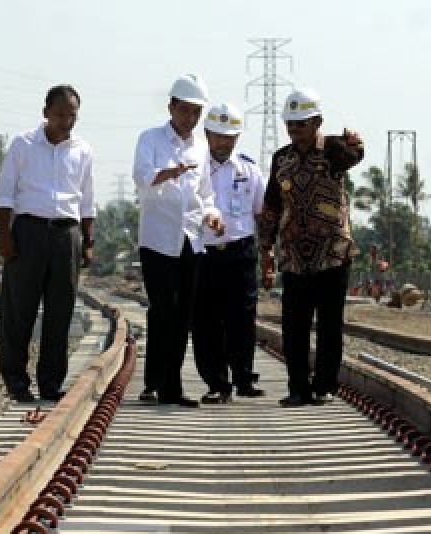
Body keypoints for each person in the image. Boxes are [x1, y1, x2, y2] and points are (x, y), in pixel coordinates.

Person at [257, 88, 364, 407]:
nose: (295, 129)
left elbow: (355, 157)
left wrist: (356, 143)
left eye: (301, 123)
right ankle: (298, 388)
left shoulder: (333, 150)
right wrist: (267, 249)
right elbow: (272, 206)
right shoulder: (281, 159)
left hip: (332, 253)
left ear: (317, 121)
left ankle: (325, 386)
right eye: (290, 123)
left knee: (330, 325)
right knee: (295, 326)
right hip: (294, 257)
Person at [0, 84, 95, 404]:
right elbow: (5, 195)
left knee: (60, 312)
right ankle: (16, 381)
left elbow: (88, 201)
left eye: (72, 115)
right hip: (29, 232)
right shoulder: (23, 145)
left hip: (67, 235)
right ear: (46, 113)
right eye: (60, 114)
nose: (66, 121)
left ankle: (51, 382)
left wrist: (88, 241)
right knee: (18, 310)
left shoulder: (82, 151)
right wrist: (5, 237)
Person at [132, 73, 225, 408]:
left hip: (191, 238)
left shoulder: (201, 147)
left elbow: (206, 194)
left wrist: (212, 215)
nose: (191, 119)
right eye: (185, 111)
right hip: (158, 238)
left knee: (183, 313)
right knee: (163, 310)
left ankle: (171, 384)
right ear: (171, 107)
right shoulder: (151, 139)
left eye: (196, 113)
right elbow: (142, 178)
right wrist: (169, 173)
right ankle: (158, 382)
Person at [193, 102, 267, 403]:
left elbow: (262, 213)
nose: (223, 142)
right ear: (207, 134)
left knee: (243, 318)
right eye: (218, 135)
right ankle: (216, 383)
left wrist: (268, 255)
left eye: (230, 136)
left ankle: (244, 378)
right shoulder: (195, 169)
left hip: (241, 252)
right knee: (206, 321)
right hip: (206, 253)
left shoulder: (249, 170)